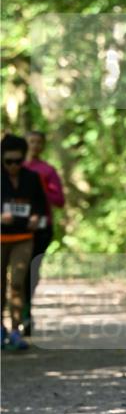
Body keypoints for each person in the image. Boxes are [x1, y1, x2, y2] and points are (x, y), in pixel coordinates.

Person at [1, 134, 47, 350]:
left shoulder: (31, 178)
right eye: (8, 161)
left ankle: (16, 329)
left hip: (23, 238)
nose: (13, 166)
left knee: (17, 283)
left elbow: (41, 204)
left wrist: (36, 217)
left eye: (18, 161)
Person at [22, 130, 65, 334]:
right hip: (16, 227)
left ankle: (27, 313)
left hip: (42, 227)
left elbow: (59, 201)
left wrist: (40, 190)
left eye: (39, 142)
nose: (35, 145)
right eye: (31, 141)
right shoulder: (14, 167)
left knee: (32, 270)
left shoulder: (47, 170)